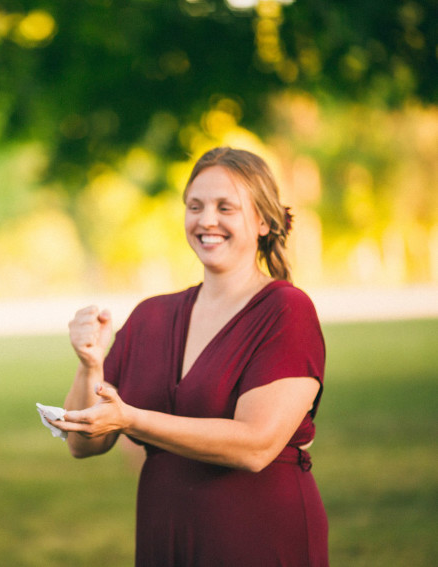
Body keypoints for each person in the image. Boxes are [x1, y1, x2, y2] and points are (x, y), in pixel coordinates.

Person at [50, 147, 328, 566]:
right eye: (195, 206)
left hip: (258, 537)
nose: (206, 220)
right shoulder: (151, 316)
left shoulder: (286, 311)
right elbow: (82, 444)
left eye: (225, 207)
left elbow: (255, 445)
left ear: (264, 222)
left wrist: (134, 419)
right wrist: (90, 363)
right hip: (166, 536)